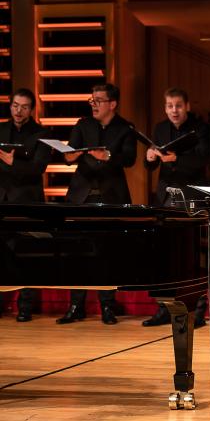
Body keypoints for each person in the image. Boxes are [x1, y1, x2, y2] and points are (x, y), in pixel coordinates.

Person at [58, 83, 138, 325]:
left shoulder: (125, 128)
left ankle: (107, 306)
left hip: (110, 197)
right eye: (91, 100)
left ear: (112, 104)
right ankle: (76, 306)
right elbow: (68, 155)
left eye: (98, 100)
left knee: (107, 252)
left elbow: (130, 158)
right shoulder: (83, 124)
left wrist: (109, 156)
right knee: (77, 252)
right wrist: (69, 156)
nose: (93, 104)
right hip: (81, 196)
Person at [142, 87, 210, 328]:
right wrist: (150, 158)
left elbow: (203, 158)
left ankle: (198, 311)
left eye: (178, 106)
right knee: (164, 254)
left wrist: (177, 159)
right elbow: (151, 166)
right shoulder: (161, 128)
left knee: (193, 256)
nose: (174, 110)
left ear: (187, 106)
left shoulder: (200, 128)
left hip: (191, 194)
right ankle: (164, 309)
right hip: (164, 196)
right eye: (169, 106)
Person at [0, 88, 51, 322]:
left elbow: (38, 168)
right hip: (2, 199)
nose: (18, 111)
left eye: (24, 107)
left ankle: (25, 306)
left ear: (31, 109)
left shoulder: (41, 133)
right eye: (15, 106)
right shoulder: (1, 129)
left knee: (25, 253)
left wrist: (13, 163)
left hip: (26, 200)